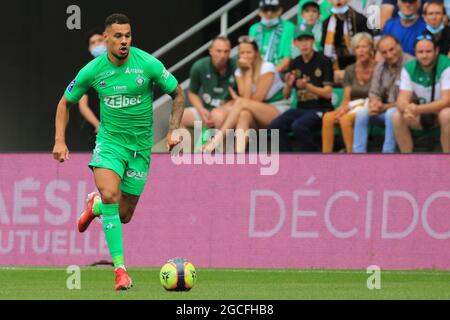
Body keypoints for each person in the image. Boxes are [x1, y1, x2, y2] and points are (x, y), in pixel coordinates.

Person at [52, 14, 185, 290]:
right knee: (111, 193)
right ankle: (121, 271)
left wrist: (173, 130)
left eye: (128, 35)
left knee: (123, 214)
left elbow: (178, 94)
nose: (124, 41)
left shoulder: (147, 64)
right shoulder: (92, 70)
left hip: (140, 148)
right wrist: (59, 141)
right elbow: (65, 102)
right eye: (118, 36)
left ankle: (96, 206)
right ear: (106, 39)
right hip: (109, 143)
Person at [204, 36, 290, 153]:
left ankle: (217, 139)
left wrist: (240, 98)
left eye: (248, 52)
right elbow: (246, 100)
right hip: (255, 114)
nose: (245, 56)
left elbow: (256, 100)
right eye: (242, 53)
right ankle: (237, 157)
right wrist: (248, 73)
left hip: (278, 110)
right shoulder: (239, 72)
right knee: (244, 114)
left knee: (241, 104)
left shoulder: (267, 67)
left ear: (256, 53)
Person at [269, 31, 334, 152]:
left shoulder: (324, 61)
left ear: (313, 41)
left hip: (320, 109)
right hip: (301, 108)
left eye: (307, 40)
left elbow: (328, 93)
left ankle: (313, 158)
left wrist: (307, 87)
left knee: (298, 126)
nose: (304, 44)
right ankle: (287, 160)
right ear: (295, 43)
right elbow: (286, 95)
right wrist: (288, 85)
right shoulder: (295, 62)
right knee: (275, 125)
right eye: (300, 41)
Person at [353, 35, 414, 153]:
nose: (389, 55)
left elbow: (411, 99)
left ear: (399, 46)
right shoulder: (381, 66)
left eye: (392, 50)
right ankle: (357, 156)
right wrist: (375, 102)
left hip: (406, 112)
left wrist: (385, 106)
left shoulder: (411, 64)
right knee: (362, 114)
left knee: (391, 113)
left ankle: (387, 154)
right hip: (384, 109)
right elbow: (374, 91)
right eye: (384, 52)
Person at [393, 34, 450, 152]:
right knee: (397, 116)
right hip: (422, 113)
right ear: (415, 52)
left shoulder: (446, 64)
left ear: (437, 51)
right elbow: (401, 99)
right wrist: (407, 108)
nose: (424, 56)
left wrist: (417, 109)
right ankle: (408, 160)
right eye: (420, 52)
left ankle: (447, 159)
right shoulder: (409, 67)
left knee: (446, 114)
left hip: (441, 112)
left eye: (428, 51)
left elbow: (446, 101)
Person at [322, 32, 376, 153]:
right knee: (328, 117)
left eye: (364, 47)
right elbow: (347, 97)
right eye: (357, 47)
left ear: (371, 48)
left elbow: (377, 95)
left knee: (345, 119)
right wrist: (341, 109)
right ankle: (325, 158)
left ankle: (352, 157)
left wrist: (345, 111)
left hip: (371, 106)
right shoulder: (350, 70)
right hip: (352, 106)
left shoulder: (378, 68)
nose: (361, 50)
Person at [181, 36, 236, 131]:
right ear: (210, 51)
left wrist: (223, 108)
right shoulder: (200, 66)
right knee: (179, 117)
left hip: (228, 112)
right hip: (206, 110)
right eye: (219, 51)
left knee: (218, 116)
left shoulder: (237, 67)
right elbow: (192, 92)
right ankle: (186, 145)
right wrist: (201, 109)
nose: (222, 55)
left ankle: (215, 145)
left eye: (226, 51)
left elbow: (244, 97)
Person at [322, 0, 372, 84]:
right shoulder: (326, 23)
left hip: (358, 69)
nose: (338, 1)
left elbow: (368, 48)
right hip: (336, 70)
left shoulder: (360, 19)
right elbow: (325, 50)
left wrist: (350, 72)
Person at [249, 0, 296, 73]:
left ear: (280, 11)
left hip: (279, 74)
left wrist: (268, 76)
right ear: (259, 12)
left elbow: (287, 60)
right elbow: (249, 56)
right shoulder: (253, 29)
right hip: (256, 74)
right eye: (265, 9)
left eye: (273, 9)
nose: (269, 13)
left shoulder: (289, 27)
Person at [78, 28, 106, 149]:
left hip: (123, 129)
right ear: (89, 48)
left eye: (100, 40)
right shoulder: (87, 73)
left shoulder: (121, 68)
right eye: (93, 43)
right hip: (99, 133)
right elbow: (83, 106)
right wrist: (98, 125)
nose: (97, 44)